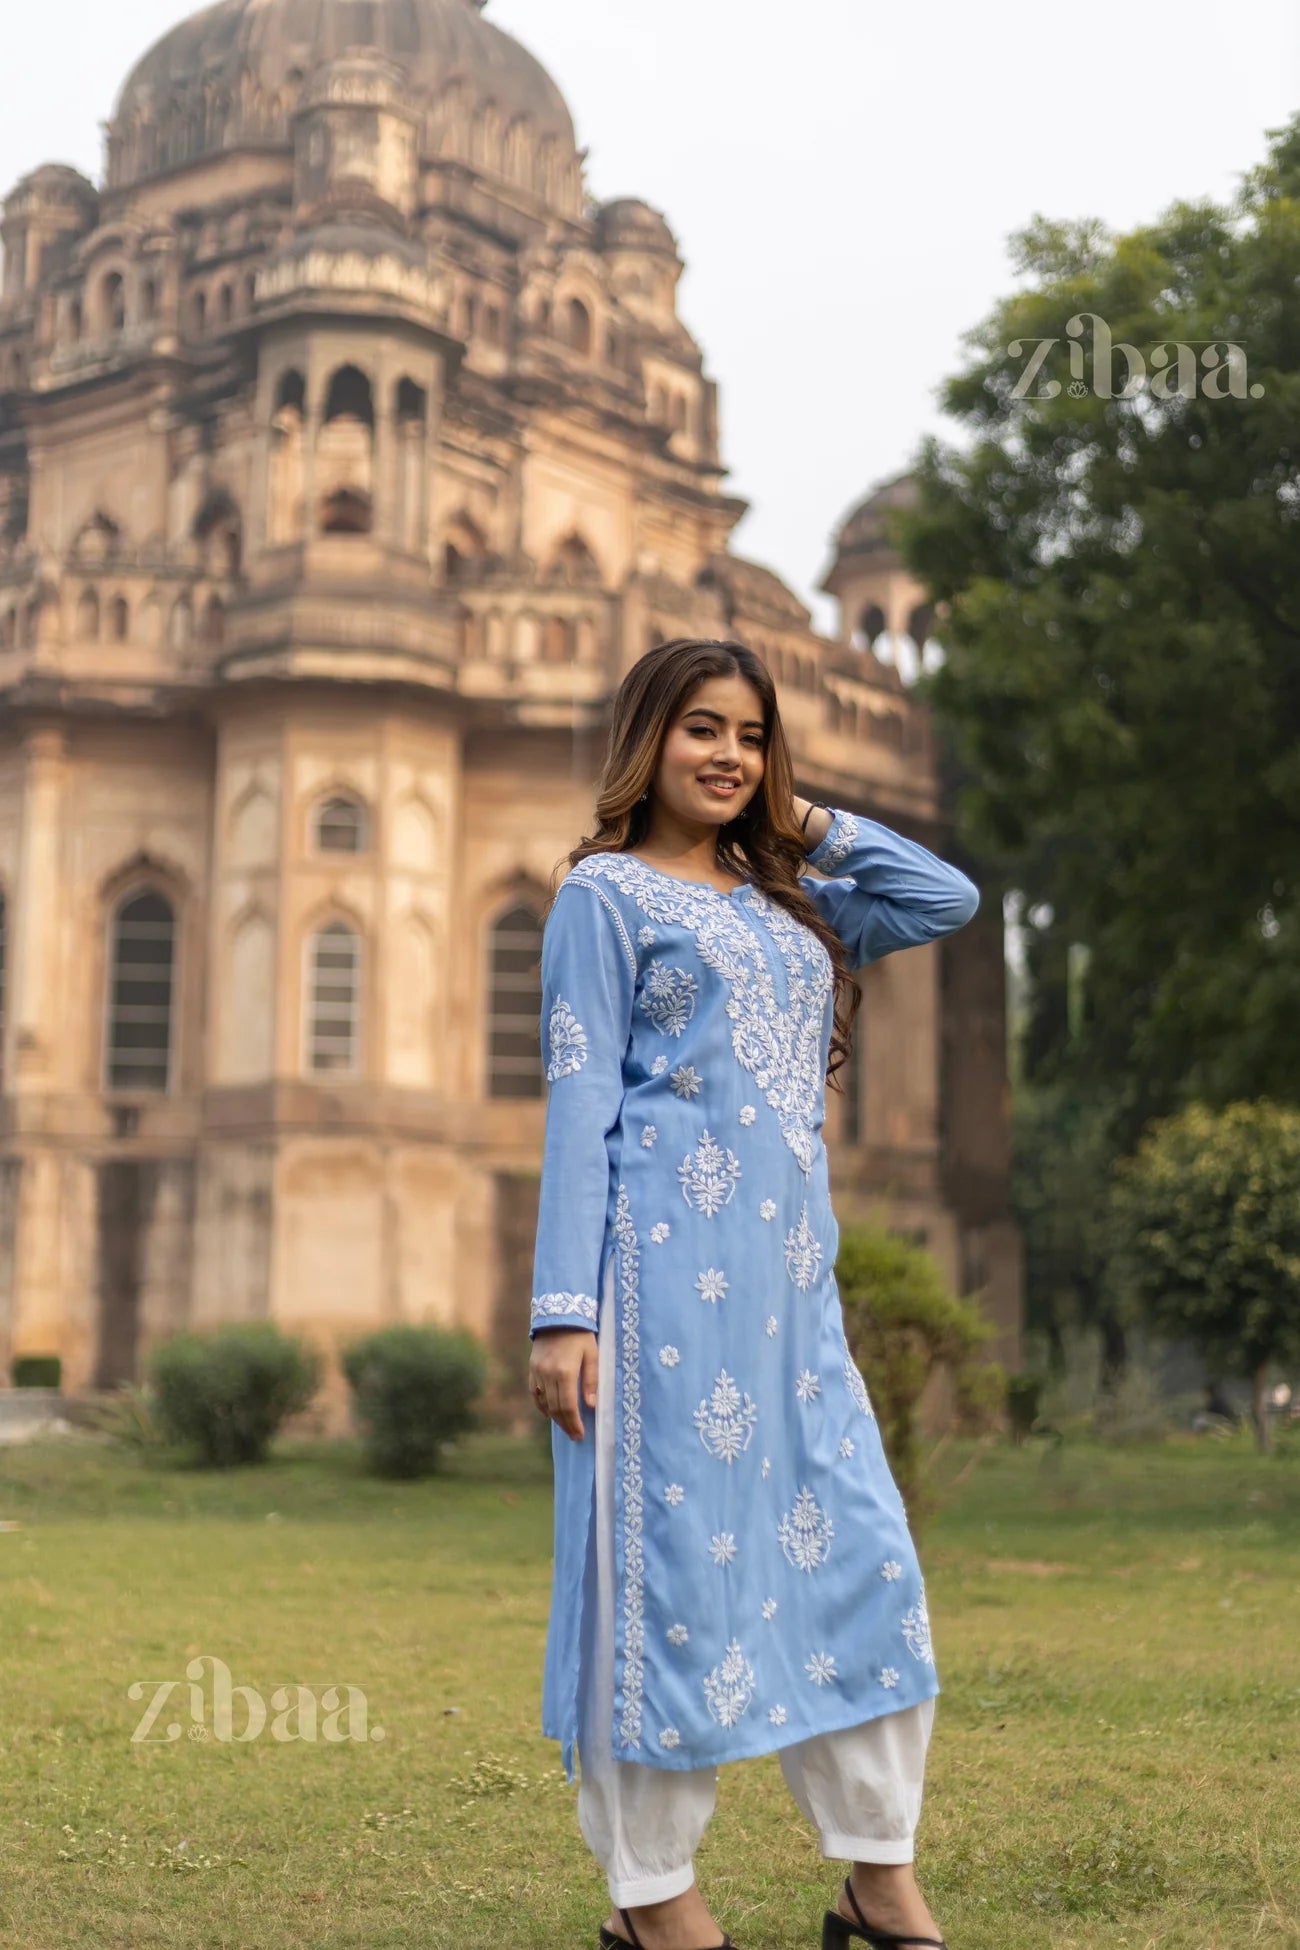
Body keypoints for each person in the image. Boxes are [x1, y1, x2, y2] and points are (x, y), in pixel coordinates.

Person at [527, 638, 978, 1950]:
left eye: (753, 735)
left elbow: (943, 896)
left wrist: (810, 819)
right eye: (701, 729)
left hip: (792, 1308)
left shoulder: (798, 903)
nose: (729, 755)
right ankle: (656, 1896)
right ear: (645, 742)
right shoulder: (602, 900)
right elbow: (580, 1103)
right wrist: (567, 1308)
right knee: (660, 1584)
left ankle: (877, 1875)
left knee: (862, 1568)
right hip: (656, 1296)